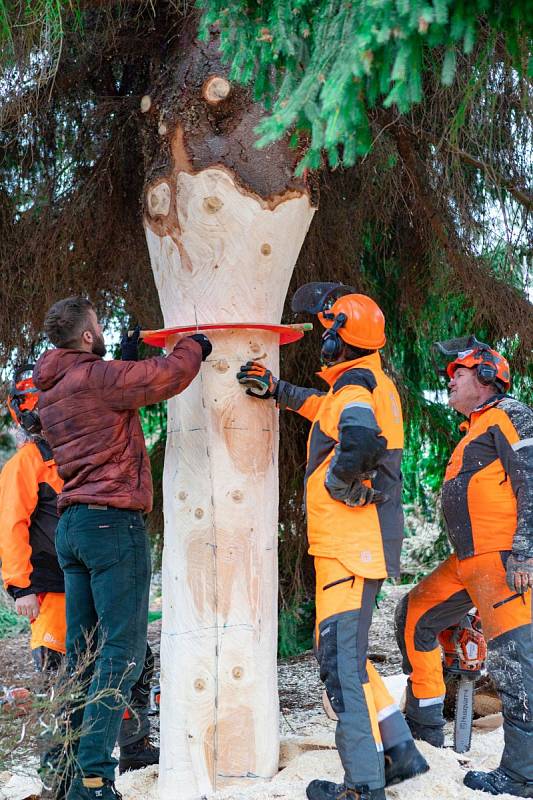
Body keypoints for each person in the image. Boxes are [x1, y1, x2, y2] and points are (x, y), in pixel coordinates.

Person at [237, 282, 428, 800]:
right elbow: (327, 408)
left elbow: (358, 434)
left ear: (335, 343)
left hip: (350, 546)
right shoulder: (363, 382)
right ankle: (398, 752)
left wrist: (339, 482)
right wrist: (279, 392)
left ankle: (364, 785)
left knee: (340, 667)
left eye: (326, 335)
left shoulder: (356, 391)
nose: (322, 342)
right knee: (349, 656)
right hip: (353, 546)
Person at [33, 296, 211, 800]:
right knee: (122, 653)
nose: (104, 331)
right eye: (99, 327)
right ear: (87, 336)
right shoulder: (96, 378)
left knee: (84, 656)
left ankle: (63, 772)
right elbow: (165, 378)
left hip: (75, 527)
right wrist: (192, 347)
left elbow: (108, 390)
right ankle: (93, 778)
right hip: (111, 524)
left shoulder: (54, 387)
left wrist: (121, 360)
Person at [0, 363, 159, 782]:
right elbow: (10, 526)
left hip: (95, 578)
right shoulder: (26, 463)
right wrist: (20, 587)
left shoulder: (81, 453)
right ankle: (58, 770)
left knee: (134, 657)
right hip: (52, 590)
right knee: (61, 677)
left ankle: (134, 744)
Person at [395, 336, 533, 798]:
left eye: (459, 371)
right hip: (467, 562)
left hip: (504, 562)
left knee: (517, 667)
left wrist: (525, 551)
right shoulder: (475, 427)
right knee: (416, 614)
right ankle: (426, 728)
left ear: (488, 376)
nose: (449, 378)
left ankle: (520, 777)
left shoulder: (511, 415)